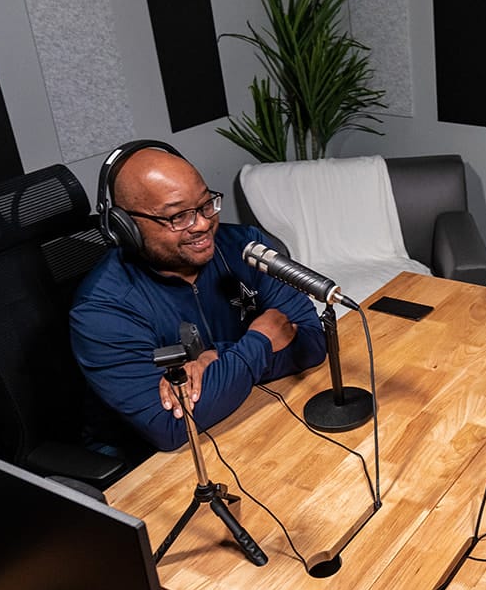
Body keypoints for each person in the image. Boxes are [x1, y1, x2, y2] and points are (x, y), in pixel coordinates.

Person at [71, 140, 326, 452]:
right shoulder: (102, 310)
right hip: (153, 468)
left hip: (247, 422)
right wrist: (261, 338)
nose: (204, 224)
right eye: (178, 217)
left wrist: (215, 358)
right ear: (126, 227)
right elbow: (173, 426)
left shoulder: (246, 246)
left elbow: (312, 343)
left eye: (207, 204)